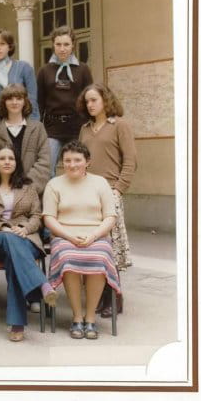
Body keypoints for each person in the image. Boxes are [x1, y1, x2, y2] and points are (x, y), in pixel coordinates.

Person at [0, 145, 57, 342]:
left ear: (17, 162)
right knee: (9, 240)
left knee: (14, 260)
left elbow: (36, 215)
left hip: (26, 238)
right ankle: (41, 284)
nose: (7, 162)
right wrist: (3, 227)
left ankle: (17, 323)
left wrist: (26, 229)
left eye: (11, 158)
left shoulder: (28, 187)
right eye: (2, 158)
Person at [43, 140, 119, 340]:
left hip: (96, 235)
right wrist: (69, 236)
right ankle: (77, 316)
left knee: (99, 256)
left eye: (77, 160)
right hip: (64, 235)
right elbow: (49, 218)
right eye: (67, 160)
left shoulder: (100, 183)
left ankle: (90, 317)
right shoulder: (54, 184)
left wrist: (93, 236)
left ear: (87, 162)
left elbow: (110, 217)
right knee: (67, 256)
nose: (72, 164)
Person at [78, 83, 137, 317]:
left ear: (105, 100)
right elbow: (79, 160)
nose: (90, 105)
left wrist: (119, 190)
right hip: (87, 193)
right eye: (87, 101)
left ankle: (114, 296)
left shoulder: (119, 125)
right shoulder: (84, 129)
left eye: (94, 100)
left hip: (110, 193)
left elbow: (130, 160)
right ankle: (99, 296)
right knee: (94, 246)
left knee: (110, 247)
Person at [36, 25, 93, 177]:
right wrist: (37, 127)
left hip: (77, 128)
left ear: (73, 45)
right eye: (58, 44)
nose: (62, 49)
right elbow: (39, 102)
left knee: (79, 168)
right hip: (52, 129)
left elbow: (90, 99)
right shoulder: (44, 71)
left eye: (66, 44)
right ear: (53, 45)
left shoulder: (83, 69)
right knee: (47, 169)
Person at [0, 84, 51, 195]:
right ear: (4, 102)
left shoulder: (38, 128)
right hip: (1, 193)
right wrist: (4, 186)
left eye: (19, 98)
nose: (14, 102)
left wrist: (26, 188)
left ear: (25, 102)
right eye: (10, 99)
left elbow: (44, 162)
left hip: (31, 193)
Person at [0, 29, 39, 125]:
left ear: (10, 47)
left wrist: (33, 124)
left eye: (2, 44)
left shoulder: (24, 67)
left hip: (21, 123)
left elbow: (32, 99)